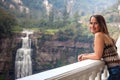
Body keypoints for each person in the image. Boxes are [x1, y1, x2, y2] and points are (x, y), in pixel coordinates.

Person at [78, 14, 120, 80]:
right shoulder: (105, 35)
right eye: (91, 23)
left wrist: (84, 57)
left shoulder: (98, 35)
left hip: (116, 71)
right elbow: (101, 53)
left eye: (96, 23)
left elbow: (98, 56)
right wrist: (87, 55)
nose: (92, 26)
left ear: (101, 24)